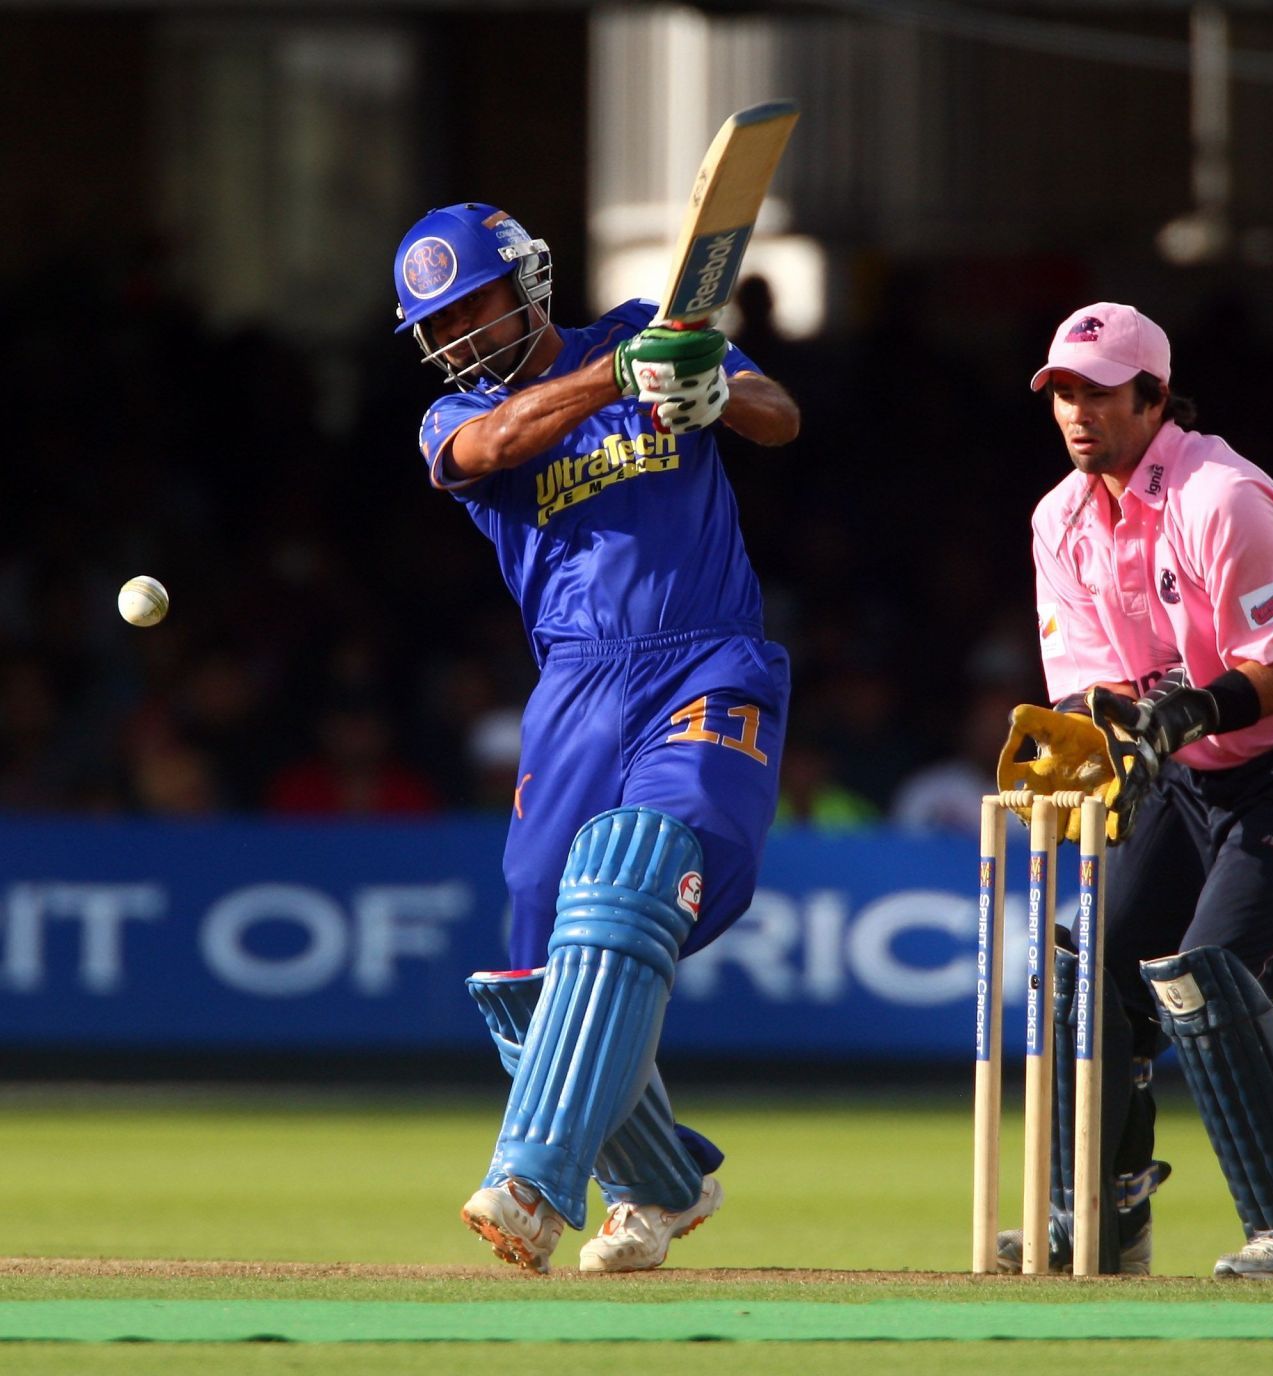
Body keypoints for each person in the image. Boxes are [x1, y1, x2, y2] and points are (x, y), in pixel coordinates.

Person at [391, 203, 799, 1273]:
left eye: (472, 303)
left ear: (528, 282)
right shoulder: (453, 415)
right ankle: (662, 1184)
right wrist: (624, 376)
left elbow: (777, 413)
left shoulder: (639, 327)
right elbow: (498, 440)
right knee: (529, 979)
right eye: (437, 321)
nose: (459, 335)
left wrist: (713, 388)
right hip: (575, 690)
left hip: (707, 657)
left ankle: (532, 1180)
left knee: (637, 870)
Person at [1004, 303, 1273, 1278]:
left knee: (1211, 984)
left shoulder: (1222, 497)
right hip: (1193, 768)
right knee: (1085, 969)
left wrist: (1174, 721)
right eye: (1063, 392)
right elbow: (1091, 684)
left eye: (1099, 392)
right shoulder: (1059, 518)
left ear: (1152, 396)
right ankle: (1093, 1214)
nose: (1077, 413)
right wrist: (1117, 753)